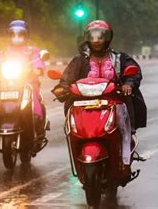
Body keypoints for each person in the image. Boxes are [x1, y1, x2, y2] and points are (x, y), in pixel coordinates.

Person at [52, 20, 147, 176]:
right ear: (87, 38)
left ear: (108, 38)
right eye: (93, 36)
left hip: (113, 102)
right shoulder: (79, 60)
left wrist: (128, 83)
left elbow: (134, 72)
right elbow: (67, 78)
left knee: (125, 130)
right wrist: (62, 88)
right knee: (72, 129)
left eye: (101, 36)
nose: (96, 40)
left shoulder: (119, 58)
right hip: (82, 104)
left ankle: (125, 163)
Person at [0, 20, 47, 138]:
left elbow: (38, 62)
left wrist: (37, 69)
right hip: (7, 84)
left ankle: (38, 123)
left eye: (20, 34)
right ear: (9, 35)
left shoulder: (32, 51)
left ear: (26, 35)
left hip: (29, 83)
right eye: (13, 34)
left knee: (34, 97)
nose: (17, 38)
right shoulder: (3, 52)